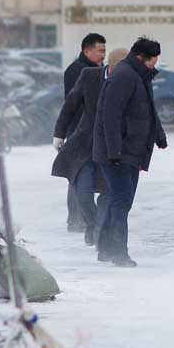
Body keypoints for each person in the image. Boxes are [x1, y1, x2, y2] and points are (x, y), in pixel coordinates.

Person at [91, 36, 168, 266]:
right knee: (121, 201)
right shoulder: (124, 77)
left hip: (130, 151)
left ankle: (106, 249)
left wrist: (159, 135)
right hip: (118, 152)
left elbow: (147, 110)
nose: (154, 65)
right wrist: (114, 151)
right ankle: (117, 253)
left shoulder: (139, 76)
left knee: (119, 200)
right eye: (152, 60)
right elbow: (110, 116)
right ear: (140, 57)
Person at [51, 48, 124, 245]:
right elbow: (70, 104)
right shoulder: (89, 75)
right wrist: (59, 133)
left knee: (107, 191)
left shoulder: (128, 82)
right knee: (82, 188)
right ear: (111, 66)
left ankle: (99, 229)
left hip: (110, 147)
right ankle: (91, 223)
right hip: (84, 143)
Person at [59, 32, 106, 232]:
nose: (103, 54)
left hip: (92, 132)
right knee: (76, 174)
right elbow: (73, 103)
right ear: (86, 50)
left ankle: (83, 217)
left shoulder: (97, 69)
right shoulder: (76, 70)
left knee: (84, 175)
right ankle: (75, 218)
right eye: (100, 50)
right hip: (79, 131)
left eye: (104, 50)